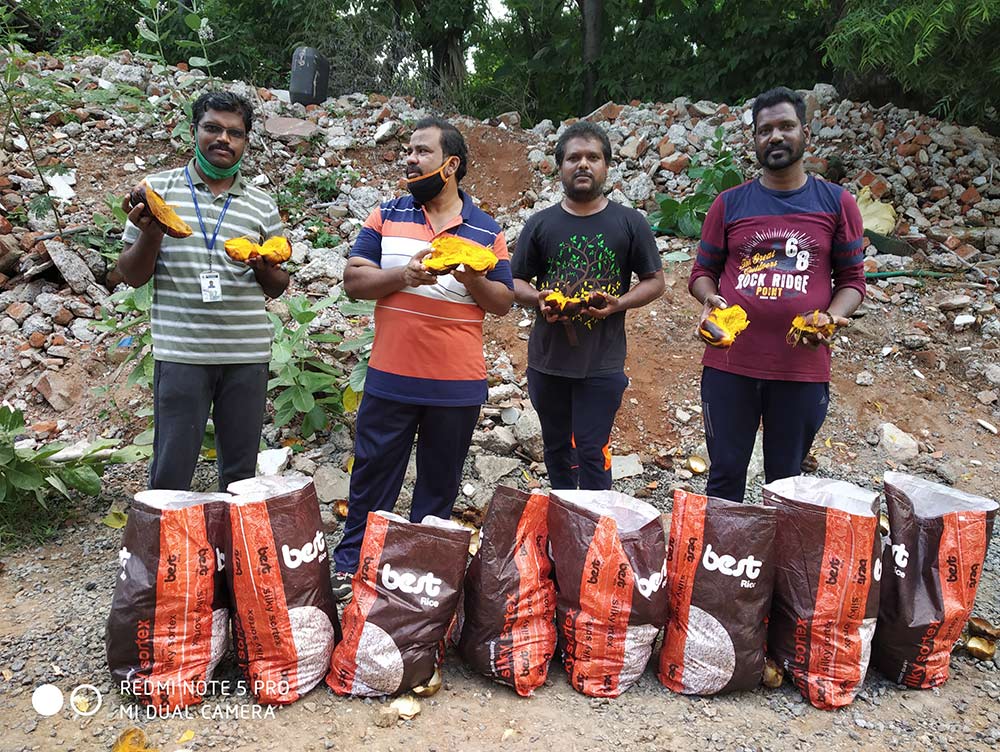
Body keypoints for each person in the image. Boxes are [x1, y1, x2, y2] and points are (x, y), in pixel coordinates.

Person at [331, 117, 514, 601]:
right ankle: (352, 569)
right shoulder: (387, 214)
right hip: (390, 377)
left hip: (455, 384)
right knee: (371, 478)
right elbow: (353, 281)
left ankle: (415, 578)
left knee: (438, 488)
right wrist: (403, 276)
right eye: (407, 150)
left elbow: (502, 301)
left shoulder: (486, 229)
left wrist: (471, 273)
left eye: (421, 151)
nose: (409, 159)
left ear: (450, 165)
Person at [688, 86, 865, 503]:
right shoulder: (729, 204)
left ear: (805, 133)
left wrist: (833, 316)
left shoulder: (837, 204)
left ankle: (779, 568)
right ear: (754, 140)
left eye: (786, 126)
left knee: (787, 484)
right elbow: (701, 273)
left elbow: (853, 281)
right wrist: (710, 300)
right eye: (765, 129)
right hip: (730, 366)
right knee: (725, 476)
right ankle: (722, 564)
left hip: (800, 368)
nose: (776, 136)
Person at [119, 90, 289, 491]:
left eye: (235, 132)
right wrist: (151, 235)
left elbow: (279, 287)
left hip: (246, 355)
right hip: (182, 352)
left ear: (246, 141)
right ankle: (165, 551)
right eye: (212, 128)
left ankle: (232, 550)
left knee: (240, 474)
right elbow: (130, 275)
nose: (223, 139)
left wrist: (264, 267)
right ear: (193, 131)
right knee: (171, 468)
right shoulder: (156, 192)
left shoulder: (261, 205)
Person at [511, 121, 665, 490]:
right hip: (548, 361)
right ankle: (565, 523)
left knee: (593, 450)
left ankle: (595, 528)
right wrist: (538, 298)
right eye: (573, 158)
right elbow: (514, 281)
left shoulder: (629, 222)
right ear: (560, 167)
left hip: (602, 362)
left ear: (606, 166)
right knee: (557, 449)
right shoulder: (540, 223)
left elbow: (655, 281)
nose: (583, 164)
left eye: (592, 157)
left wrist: (617, 304)